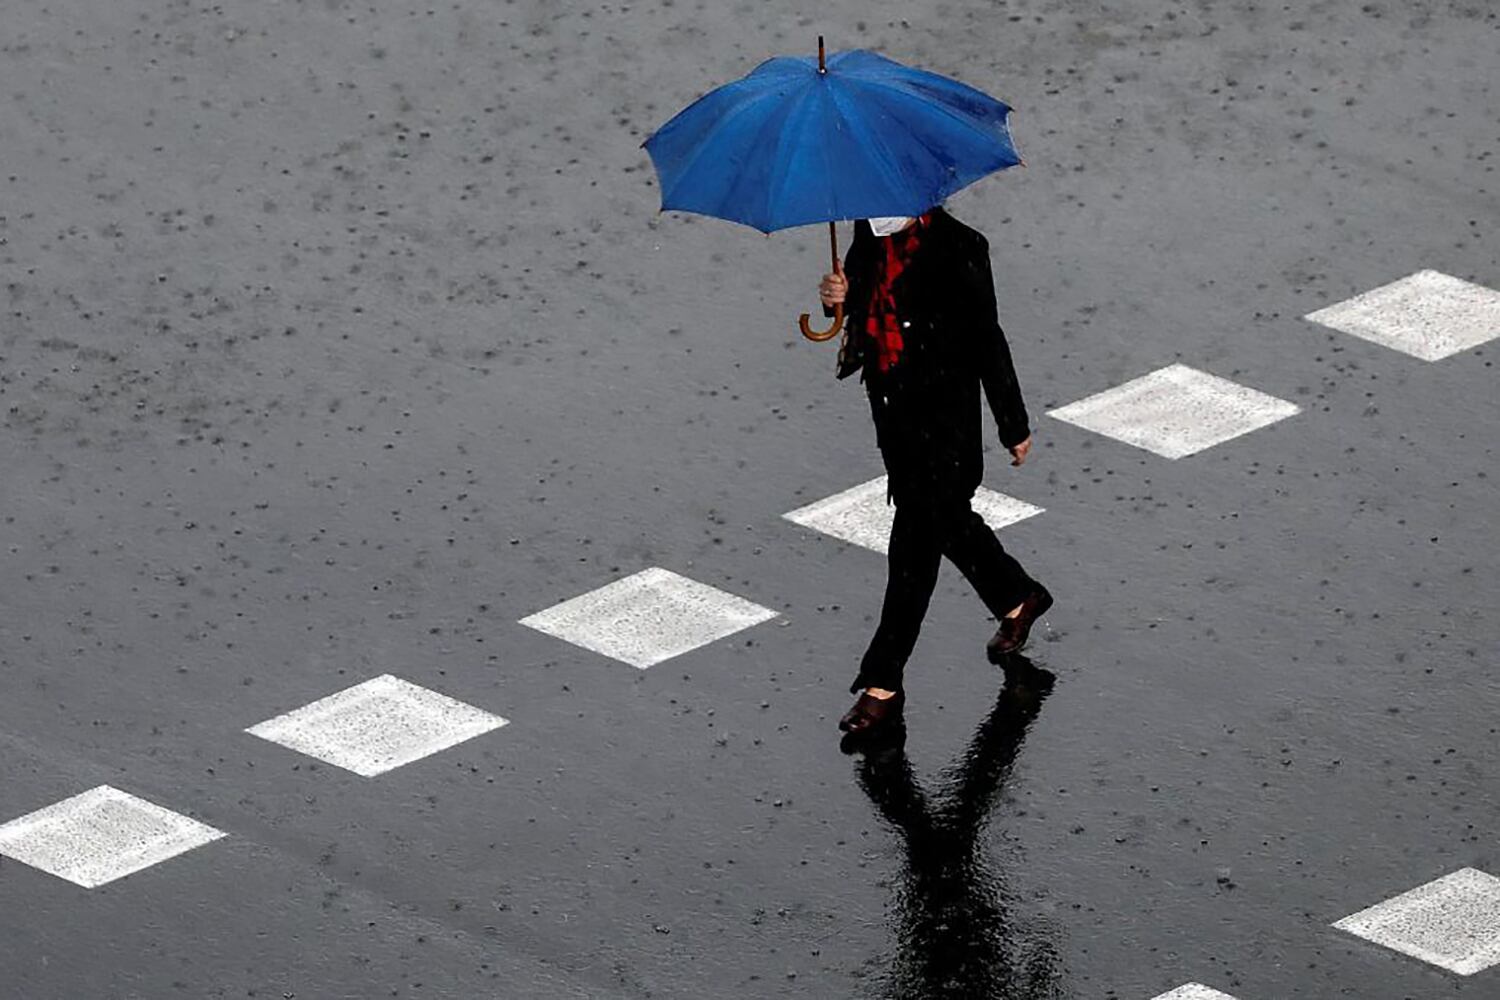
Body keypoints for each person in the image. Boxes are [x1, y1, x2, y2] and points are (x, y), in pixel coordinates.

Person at [817, 206, 1053, 736]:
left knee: (913, 547)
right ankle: (1018, 596)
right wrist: (838, 296)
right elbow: (863, 302)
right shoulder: (866, 233)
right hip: (896, 419)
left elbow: (988, 340)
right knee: (947, 524)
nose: (879, 214)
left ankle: (883, 681)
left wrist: (1013, 424)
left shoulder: (962, 247)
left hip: (947, 425)